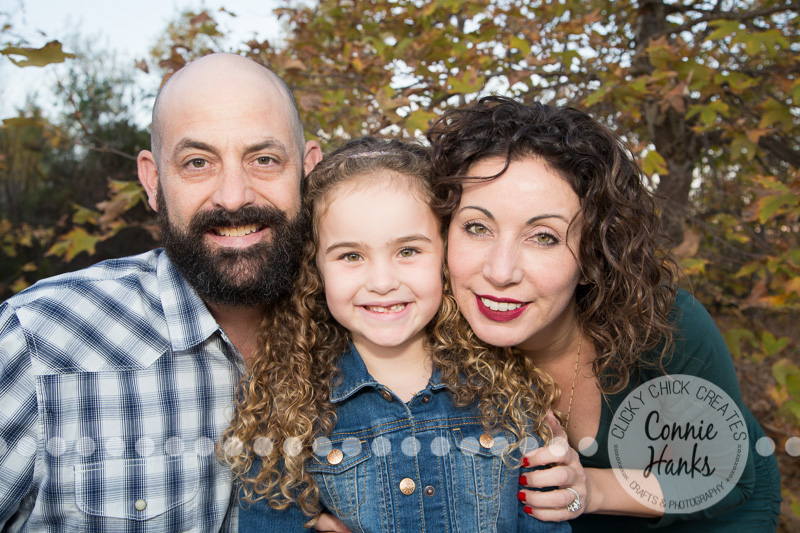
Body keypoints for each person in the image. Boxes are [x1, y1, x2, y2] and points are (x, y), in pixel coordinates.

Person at [426, 96, 781, 532]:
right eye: (477, 227)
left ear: (594, 254)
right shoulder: (420, 334)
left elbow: (721, 474)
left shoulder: (667, 324)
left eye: (544, 237)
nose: (500, 272)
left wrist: (589, 489)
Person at [0, 53, 322, 531]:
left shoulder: (376, 328)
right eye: (197, 162)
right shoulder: (36, 341)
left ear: (308, 170)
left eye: (265, 159)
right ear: (153, 181)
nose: (233, 196)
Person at [222, 137, 570, 532]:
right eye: (351, 256)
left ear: (445, 253)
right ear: (315, 270)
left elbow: (546, 523)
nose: (383, 282)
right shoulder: (286, 409)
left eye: (408, 251)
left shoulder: (507, 388)